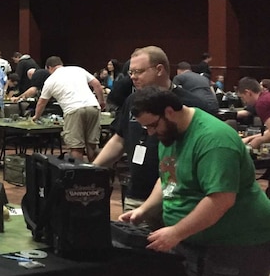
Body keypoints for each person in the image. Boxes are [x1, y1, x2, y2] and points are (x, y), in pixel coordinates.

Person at [119, 87, 270, 276]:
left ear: (169, 111)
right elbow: (168, 179)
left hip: (235, 244)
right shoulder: (171, 133)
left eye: (153, 125)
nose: (151, 133)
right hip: (192, 241)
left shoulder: (214, 140)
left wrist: (176, 232)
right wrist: (144, 210)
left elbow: (221, 200)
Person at [94, 46, 221, 217]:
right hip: (136, 194)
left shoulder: (190, 105)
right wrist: (91, 169)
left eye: (138, 71)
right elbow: (119, 140)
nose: (133, 77)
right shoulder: (133, 101)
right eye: (131, 72)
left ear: (159, 69)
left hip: (177, 199)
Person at [32, 56, 104, 161]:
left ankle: (79, 175)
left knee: (76, 147)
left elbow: (41, 103)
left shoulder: (50, 80)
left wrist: (36, 116)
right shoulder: (77, 69)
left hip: (73, 110)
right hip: (93, 106)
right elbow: (97, 85)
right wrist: (101, 102)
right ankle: (98, 173)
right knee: (92, 145)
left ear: (49, 68)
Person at [237, 77, 270, 148]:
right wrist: (249, 138)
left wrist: (259, 140)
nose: (244, 102)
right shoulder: (266, 96)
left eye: (242, 97)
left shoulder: (261, 104)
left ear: (248, 93)